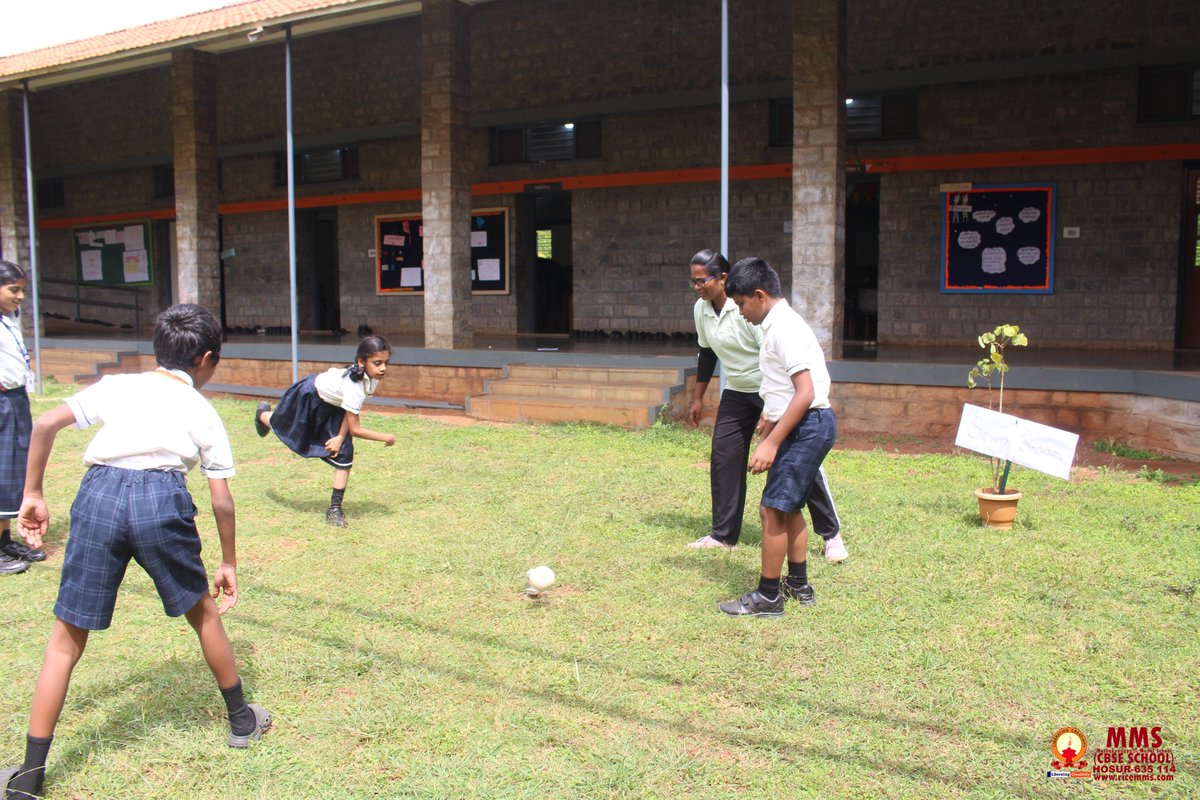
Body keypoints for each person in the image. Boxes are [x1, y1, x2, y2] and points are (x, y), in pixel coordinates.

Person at [1, 304, 270, 800]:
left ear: (158, 349)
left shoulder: (119, 384)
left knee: (66, 637)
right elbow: (221, 500)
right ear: (208, 359)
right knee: (203, 613)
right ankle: (240, 720)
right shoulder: (203, 411)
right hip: (160, 499)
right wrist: (228, 562)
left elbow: (44, 426)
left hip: (98, 495)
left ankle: (28, 776)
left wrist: (32, 494)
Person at [685, 249, 847, 563]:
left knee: (796, 461)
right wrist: (697, 395)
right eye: (692, 281)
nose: (696, 287)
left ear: (723, 278)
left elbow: (777, 363)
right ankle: (723, 534)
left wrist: (770, 414)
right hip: (737, 389)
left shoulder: (755, 312)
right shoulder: (702, 310)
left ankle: (831, 534)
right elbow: (706, 353)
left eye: (701, 280)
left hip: (772, 390)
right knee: (725, 455)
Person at [717, 258, 837, 618]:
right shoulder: (777, 324)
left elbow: (805, 392)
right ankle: (798, 585)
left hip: (808, 425)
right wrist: (769, 424)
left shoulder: (782, 328)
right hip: (804, 423)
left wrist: (771, 443)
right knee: (789, 507)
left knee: (771, 509)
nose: (739, 313)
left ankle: (768, 597)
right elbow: (786, 391)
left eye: (740, 304)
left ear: (759, 294)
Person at [254, 335, 395, 527]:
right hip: (309, 396)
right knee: (288, 428)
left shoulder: (370, 378)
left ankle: (334, 508)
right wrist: (385, 437)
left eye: (386, 363)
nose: (383, 368)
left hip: (334, 406)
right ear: (361, 362)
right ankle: (263, 415)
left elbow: (349, 413)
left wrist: (339, 437)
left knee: (344, 453)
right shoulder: (355, 385)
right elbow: (356, 429)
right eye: (377, 363)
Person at [0, 261, 44, 575]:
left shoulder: (7, 319)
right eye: (13, 290)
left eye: (22, 290)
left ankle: (3, 539)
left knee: (13, 469)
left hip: (15, 399)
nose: (20, 297)